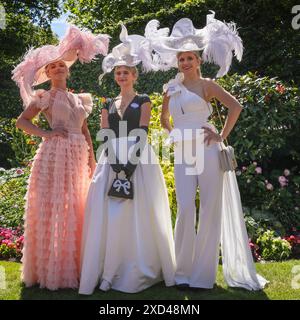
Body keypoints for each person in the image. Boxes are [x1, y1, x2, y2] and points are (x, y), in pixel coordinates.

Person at [146, 12, 268, 290]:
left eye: (190, 57)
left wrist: (221, 134)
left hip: (209, 149)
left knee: (211, 208)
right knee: (187, 207)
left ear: (199, 60)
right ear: (177, 61)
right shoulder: (171, 89)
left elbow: (235, 107)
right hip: (183, 152)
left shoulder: (208, 86)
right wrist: (172, 133)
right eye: (181, 58)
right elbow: (165, 119)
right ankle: (182, 273)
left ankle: (202, 277)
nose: (185, 62)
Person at [79, 25, 175, 294]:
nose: (122, 76)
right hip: (111, 159)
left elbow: (143, 131)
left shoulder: (144, 100)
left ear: (134, 76)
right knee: (110, 214)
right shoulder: (107, 103)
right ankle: (109, 270)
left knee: (141, 211)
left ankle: (139, 267)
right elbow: (104, 134)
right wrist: (117, 166)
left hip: (139, 158)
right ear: (116, 76)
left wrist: (129, 167)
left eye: (126, 73)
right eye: (118, 73)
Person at [11, 25, 109, 290]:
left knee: (78, 206)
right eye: (52, 67)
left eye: (61, 66)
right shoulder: (43, 97)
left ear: (67, 69)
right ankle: (50, 270)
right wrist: (46, 132)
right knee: (54, 208)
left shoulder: (80, 99)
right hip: (54, 156)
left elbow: (87, 130)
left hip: (78, 155)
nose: (58, 69)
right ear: (47, 73)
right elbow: (22, 122)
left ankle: (77, 266)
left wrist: (92, 158)